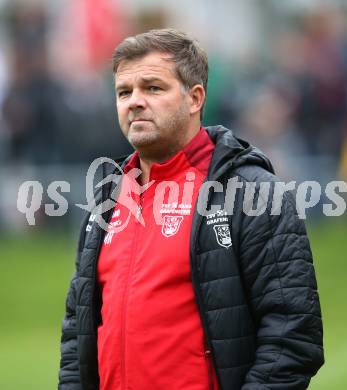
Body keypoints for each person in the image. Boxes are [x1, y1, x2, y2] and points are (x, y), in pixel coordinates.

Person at [58, 29, 324, 390]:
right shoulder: (105, 197)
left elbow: (293, 335)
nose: (135, 101)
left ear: (195, 98)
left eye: (153, 88)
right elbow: (78, 332)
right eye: (124, 92)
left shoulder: (251, 192)